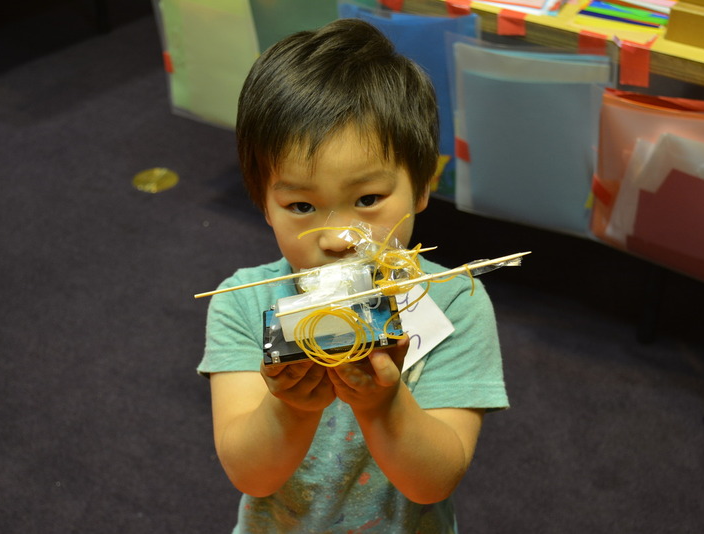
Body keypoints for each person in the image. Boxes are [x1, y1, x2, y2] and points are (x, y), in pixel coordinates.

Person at [199, 18, 508, 533]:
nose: (339, 238)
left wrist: (382, 403)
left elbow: (433, 483)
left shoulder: (456, 302)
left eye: (367, 199)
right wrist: (291, 408)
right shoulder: (241, 303)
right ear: (264, 205)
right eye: (301, 205)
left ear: (422, 187)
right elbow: (249, 475)